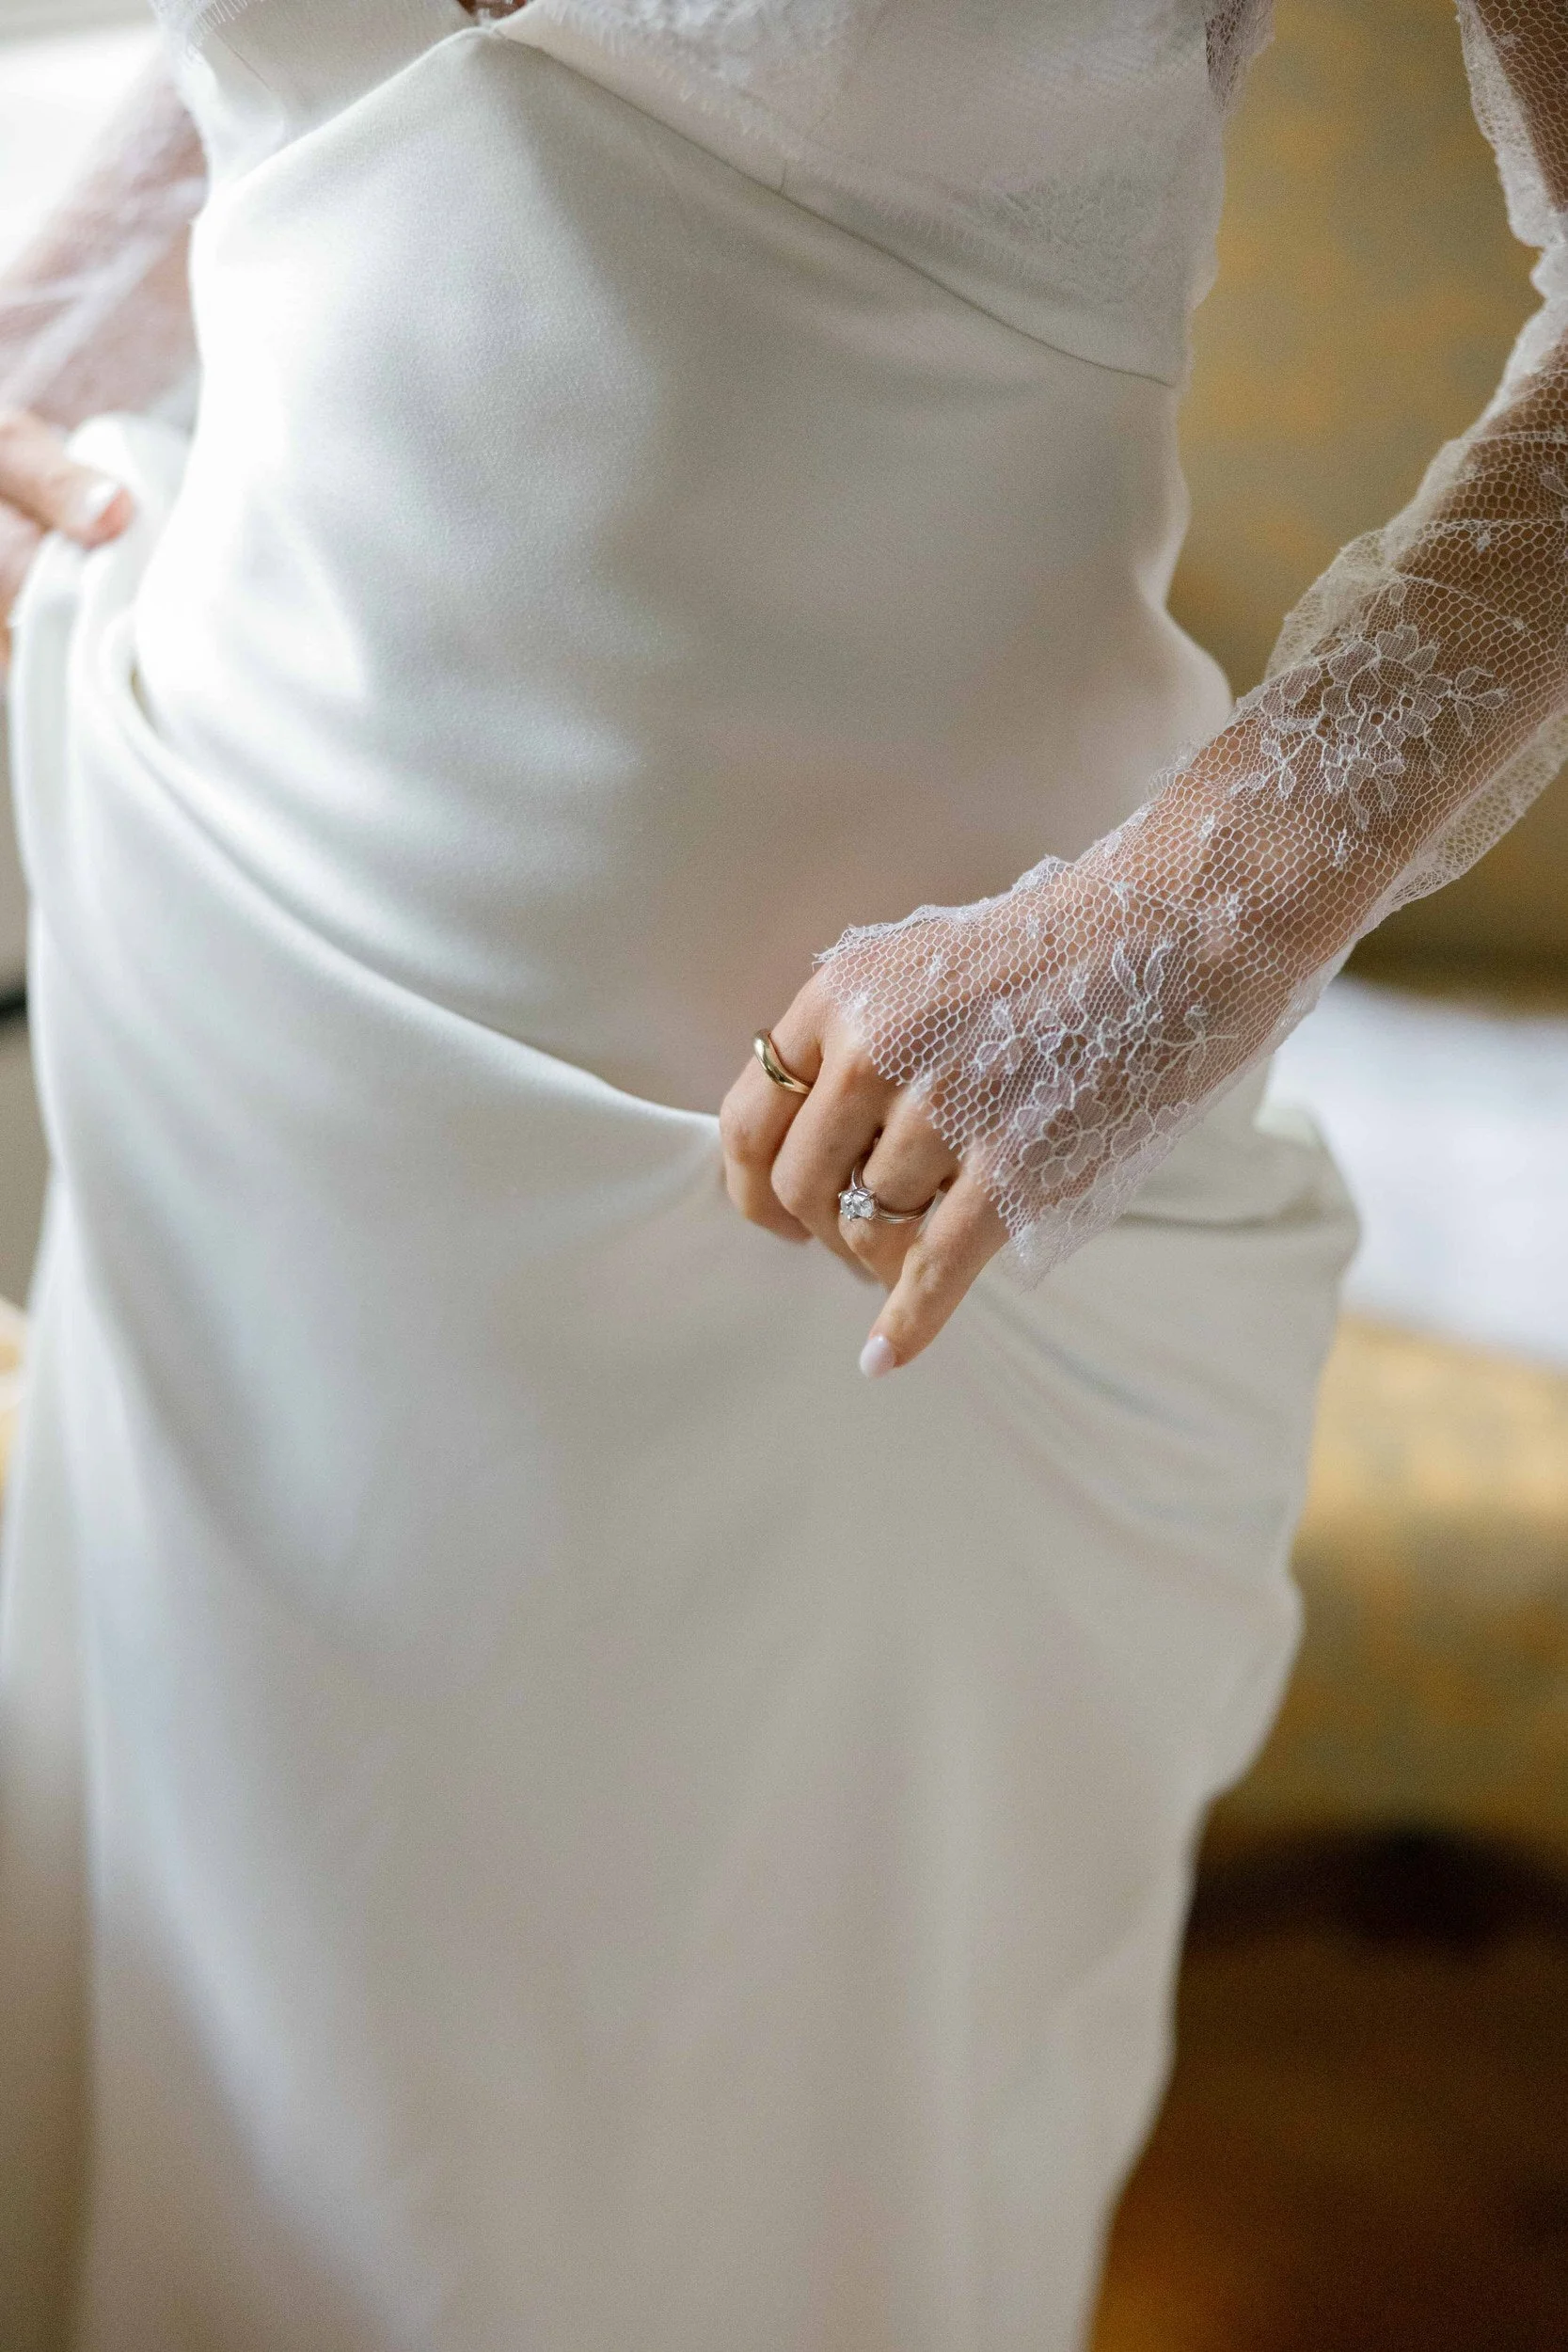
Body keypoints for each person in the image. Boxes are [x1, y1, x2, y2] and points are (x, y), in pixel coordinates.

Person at [0, 2, 1560, 2344]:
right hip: (234, 976)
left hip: (868, 1144)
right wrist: (28, 330)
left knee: (741, 2138)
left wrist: (1196, 917)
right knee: (271, 2092)